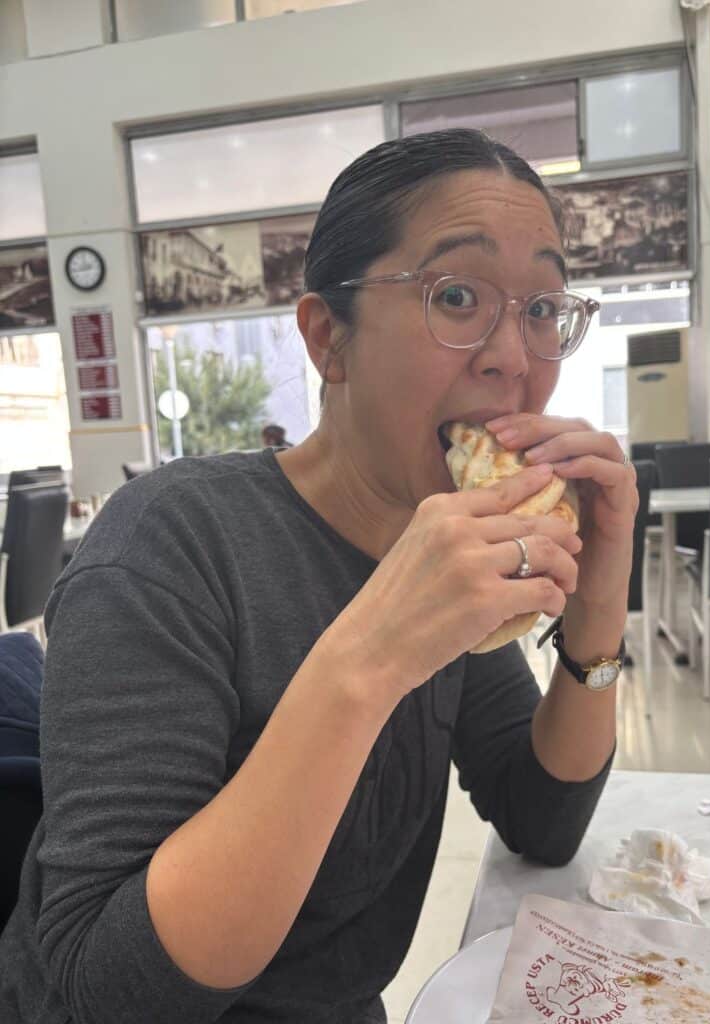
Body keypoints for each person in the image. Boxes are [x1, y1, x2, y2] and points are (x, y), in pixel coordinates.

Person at [0, 129, 638, 1024]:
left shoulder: (446, 537)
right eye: (456, 296)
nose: (513, 355)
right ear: (327, 337)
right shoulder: (172, 541)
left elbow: (542, 817)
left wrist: (599, 599)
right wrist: (370, 661)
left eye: (541, 308)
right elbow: (108, 990)